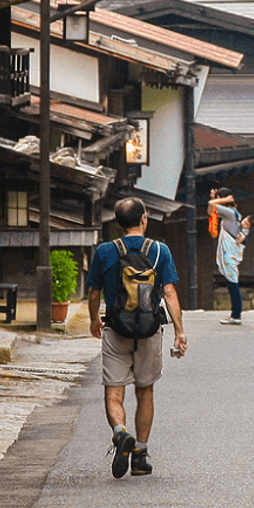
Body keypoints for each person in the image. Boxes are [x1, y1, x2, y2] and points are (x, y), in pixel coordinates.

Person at [86, 197, 186, 478]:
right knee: (145, 391)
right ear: (144, 219)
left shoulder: (105, 251)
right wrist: (180, 331)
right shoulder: (159, 251)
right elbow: (169, 293)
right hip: (149, 329)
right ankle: (140, 456)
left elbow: (94, 293)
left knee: (114, 392)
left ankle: (120, 433)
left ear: (118, 222)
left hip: (116, 329)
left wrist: (95, 319)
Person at [207, 188, 253, 324]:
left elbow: (211, 205)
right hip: (230, 254)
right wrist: (217, 198)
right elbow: (211, 211)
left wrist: (223, 200)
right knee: (231, 283)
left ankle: (236, 315)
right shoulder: (232, 213)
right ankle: (235, 314)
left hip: (229, 255)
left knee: (232, 284)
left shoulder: (230, 213)